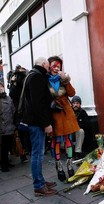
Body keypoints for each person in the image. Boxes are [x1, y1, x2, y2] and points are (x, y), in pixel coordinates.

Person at [22, 57, 57, 196]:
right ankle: (39, 186)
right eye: (48, 66)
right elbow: (38, 104)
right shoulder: (36, 77)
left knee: (38, 153)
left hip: (34, 122)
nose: (49, 68)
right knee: (37, 154)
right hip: (36, 123)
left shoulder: (33, 75)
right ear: (43, 64)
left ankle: (41, 181)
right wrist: (46, 124)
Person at [47, 56, 80, 181]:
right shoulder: (45, 80)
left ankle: (70, 165)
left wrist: (65, 80)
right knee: (56, 140)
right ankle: (59, 167)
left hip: (66, 113)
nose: (56, 68)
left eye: (58, 66)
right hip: (54, 113)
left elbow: (72, 93)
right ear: (49, 67)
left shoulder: (63, 79)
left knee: (67, 139)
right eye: (54, 66)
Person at [9, 65, 30, 163]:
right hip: (18, 112)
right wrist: (13, 83)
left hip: (26, 110)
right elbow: (12, 95)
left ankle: (28, 150)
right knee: (21, 133)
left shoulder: (24, 82)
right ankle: (23, 154)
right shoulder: (14, 85)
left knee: (28, 132)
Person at [0, 81, 16, 172]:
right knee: (3, 148)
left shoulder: (8, 98)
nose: (1, 88)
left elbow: (13, 110)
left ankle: (7, 162)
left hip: (10, 125)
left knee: (8, 146)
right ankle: (3, 165)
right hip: (2, 127)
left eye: (1, 86)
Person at [71, 95, 93, 159]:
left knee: (81, 131)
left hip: (78, 133)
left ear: (80, 104)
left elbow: (87, 125)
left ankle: (77, 152)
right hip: (70, 132)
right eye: (74, 103)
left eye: (77, 103)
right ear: (72, 104)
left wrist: (76, 126)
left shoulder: (83, 112)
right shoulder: (69, 112)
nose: (75, 105)